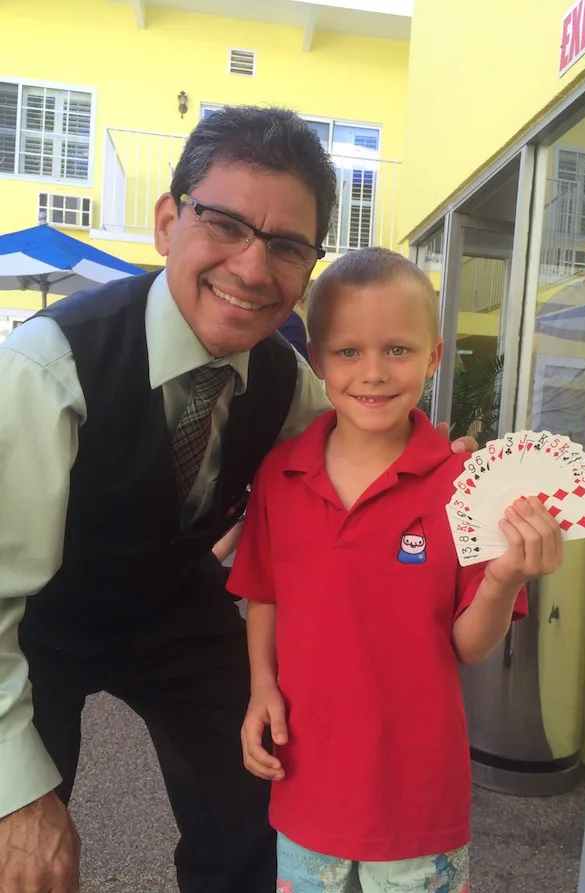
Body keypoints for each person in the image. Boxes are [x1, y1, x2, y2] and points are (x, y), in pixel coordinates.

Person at [0, 108, 478, 893]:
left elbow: (367, 436)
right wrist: (18, 797)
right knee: (19, 849)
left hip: (173, 611)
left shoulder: (294, 382)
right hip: (38, 623)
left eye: (287, 245)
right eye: (224, 224)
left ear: (307, 269)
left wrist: (448, 472)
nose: (254, 269)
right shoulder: (47, 370)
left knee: (260, 799)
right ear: (166, 221)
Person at [229, 248, 564, 893]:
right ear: (318, 360)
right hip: (307, 785)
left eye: (398, 350)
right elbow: (263, 594)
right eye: (349, 352)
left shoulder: (466, 487)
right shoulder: (281, 475)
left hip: (418, 799)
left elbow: (467, 645)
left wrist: (505, 578)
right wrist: (261, 688)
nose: (374, 373)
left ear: (434, 356)